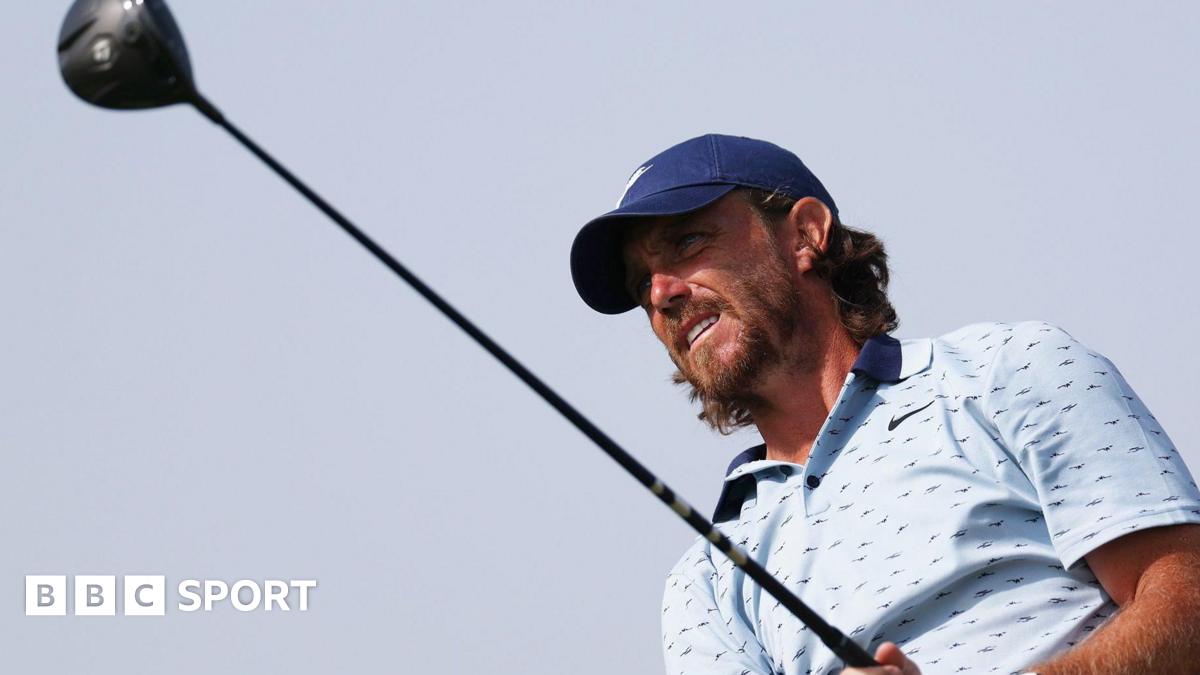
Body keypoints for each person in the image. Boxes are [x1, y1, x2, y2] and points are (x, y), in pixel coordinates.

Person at [569, 134, 1200, 675]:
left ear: (805, 234)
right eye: (640, 284)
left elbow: (1186, 604)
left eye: (687, 242)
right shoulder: (704, 580)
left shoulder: (1010, 370)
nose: (661, 294)